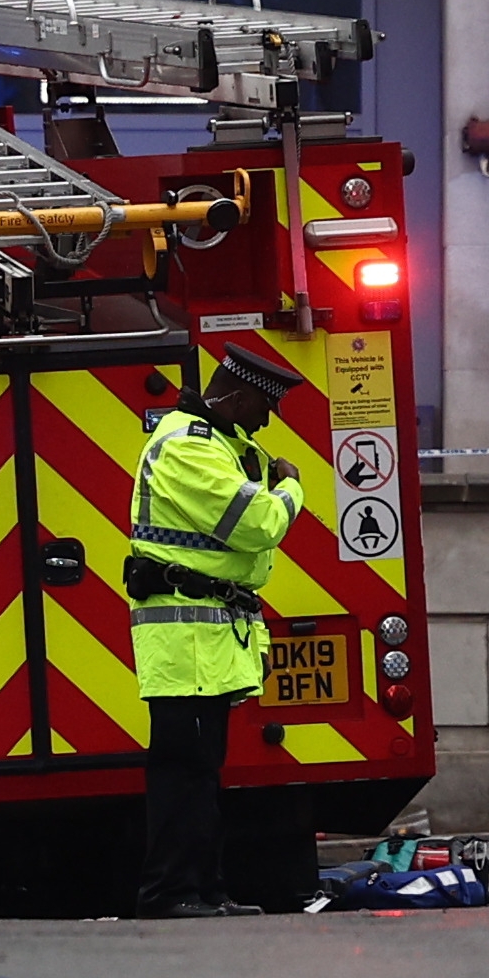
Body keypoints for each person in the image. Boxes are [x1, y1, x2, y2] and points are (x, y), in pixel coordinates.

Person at [123, 344, 311, 919]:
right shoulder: (187, 449)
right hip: (184, 643)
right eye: (263, 405)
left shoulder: (221, 444)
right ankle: (171, 892)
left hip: (205, 639)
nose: (266, 420)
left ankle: (204, 890)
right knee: (183, 773)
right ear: (233, 395)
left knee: (201, 773)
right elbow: (258, 524)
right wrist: (292, 488)